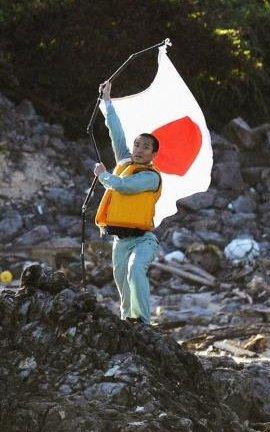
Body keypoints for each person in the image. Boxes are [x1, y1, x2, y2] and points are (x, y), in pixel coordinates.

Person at [93, 81, 161, 325]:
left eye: (146, 147)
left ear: (154, 155)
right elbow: (116, 132)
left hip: (143, 240)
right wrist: (107, 101)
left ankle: (143, 323)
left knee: (135, 271)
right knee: (123, 287)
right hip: (119, 241)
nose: (139, 149)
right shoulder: (124, 162)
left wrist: (102, 175)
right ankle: (128, 324)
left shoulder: (150, 177)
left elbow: (123, 186)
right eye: (137, 144)